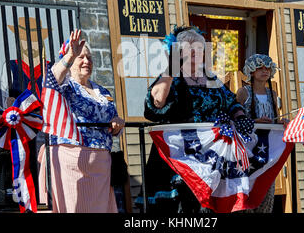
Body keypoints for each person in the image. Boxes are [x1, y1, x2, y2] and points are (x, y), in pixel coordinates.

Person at [136, 26, 250, 213]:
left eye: (199, 48)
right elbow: (155, 103)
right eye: (189, 48)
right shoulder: (173, 77)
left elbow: (230, 102)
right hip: (180, 155)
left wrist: (240, 116)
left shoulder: (211, 78)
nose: (195, 52)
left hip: (212, 155)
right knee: (184, 207)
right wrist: (172, 69)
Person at [38, 29, 125, 213]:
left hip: (101, 165)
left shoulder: (103, 91)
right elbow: (50, 79)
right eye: (81, 57)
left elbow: (112, 120)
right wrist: (70, 55)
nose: (86, 61)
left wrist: (118, 123)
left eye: (89, 58)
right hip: (72, 161)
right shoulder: (64, 85)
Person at [236, 53, 287, 213]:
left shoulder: (272, 94)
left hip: (268, 149)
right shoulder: (243, 92)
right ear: (251, 71)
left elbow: (273, 117)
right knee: (247, 188)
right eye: (260, 68)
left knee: (266, 186)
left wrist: (279, 122)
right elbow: (235, 120)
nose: (265, 71)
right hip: (248, 149)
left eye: (267, 68)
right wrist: (255, 121)